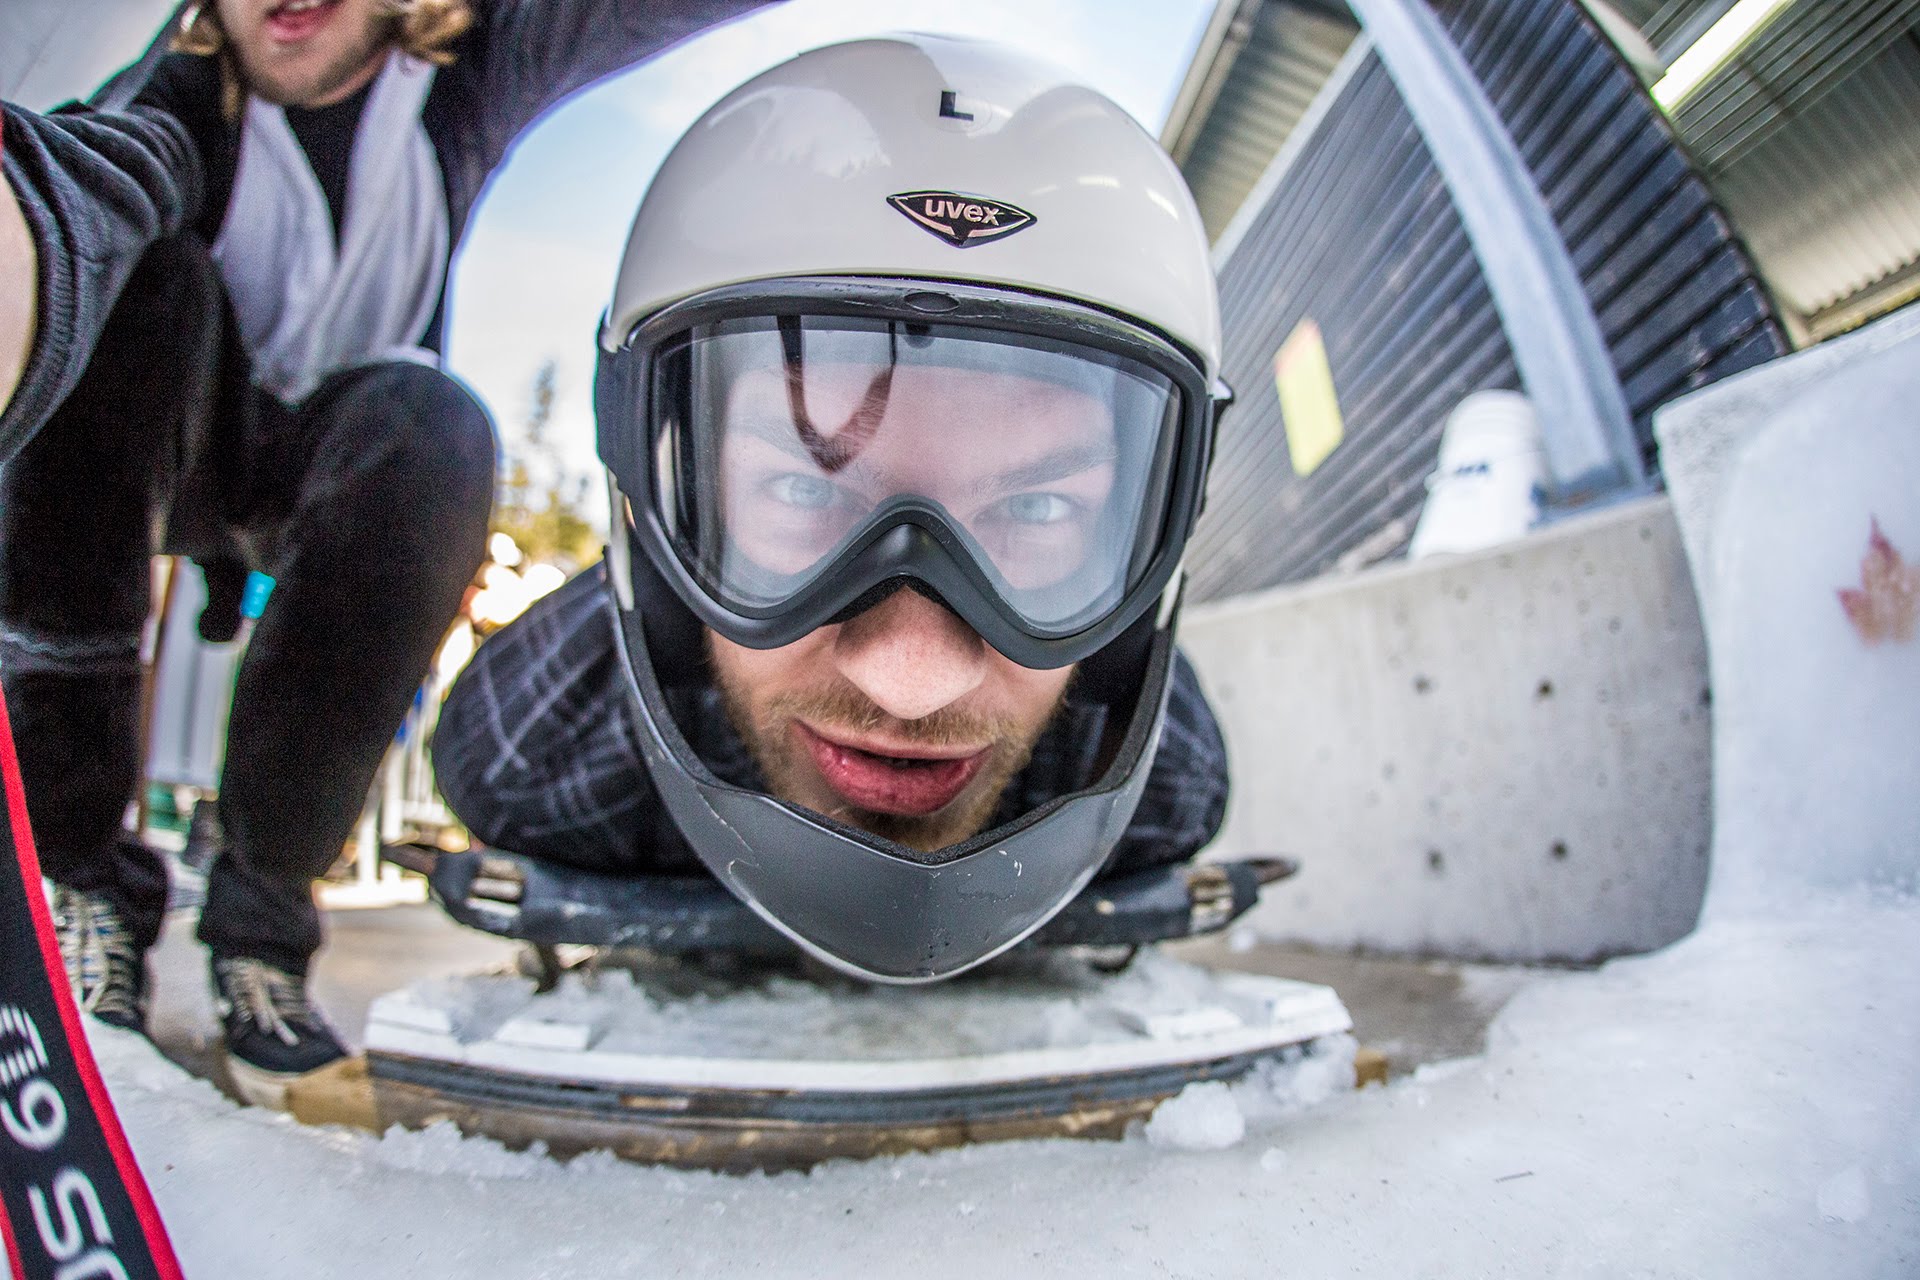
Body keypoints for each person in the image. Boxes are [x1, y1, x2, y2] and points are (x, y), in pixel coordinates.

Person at [0, 0, 774, 1107]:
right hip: (158, 436)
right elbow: (94, 180)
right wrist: (25, 226)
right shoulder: (178, 93)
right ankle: (69, 875)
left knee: (436, 421)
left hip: (345, 468)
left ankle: (261, 927)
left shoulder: (467, 79)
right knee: (147, 284)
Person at [430, 33, 1235, 983]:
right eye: (805, 489)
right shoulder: (533, 760)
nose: (911, 683)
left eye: (1042, 510)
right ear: (652, 532)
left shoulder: (1166, 781)